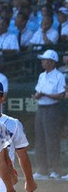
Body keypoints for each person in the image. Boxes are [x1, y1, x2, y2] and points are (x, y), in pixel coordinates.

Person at [32, 49, 65, 179]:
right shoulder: (41, 75)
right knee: (40, 140)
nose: (43, 62)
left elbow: (61, 95)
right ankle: (42, 169)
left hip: (53, 109)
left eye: (45, 60)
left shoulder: (59, 76)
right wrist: (37, 96)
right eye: (43, 60)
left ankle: (55, 170)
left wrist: (45, 95)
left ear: (52, 62)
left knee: (52, 140)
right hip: (41, 108)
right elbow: (37, 92)